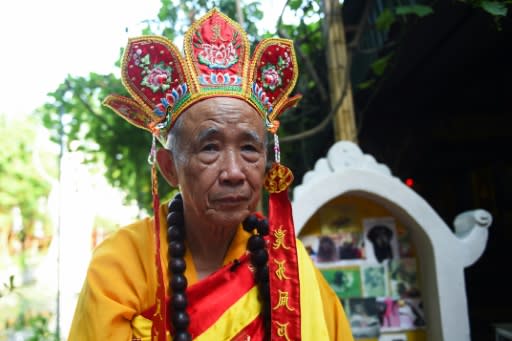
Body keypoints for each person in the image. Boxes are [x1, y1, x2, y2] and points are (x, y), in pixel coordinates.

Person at [69, 8, 354, 340]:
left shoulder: (288, 263)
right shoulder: (123, 264)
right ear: (169, 167)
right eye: (209, 148)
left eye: (249, 149)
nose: (234, 172)